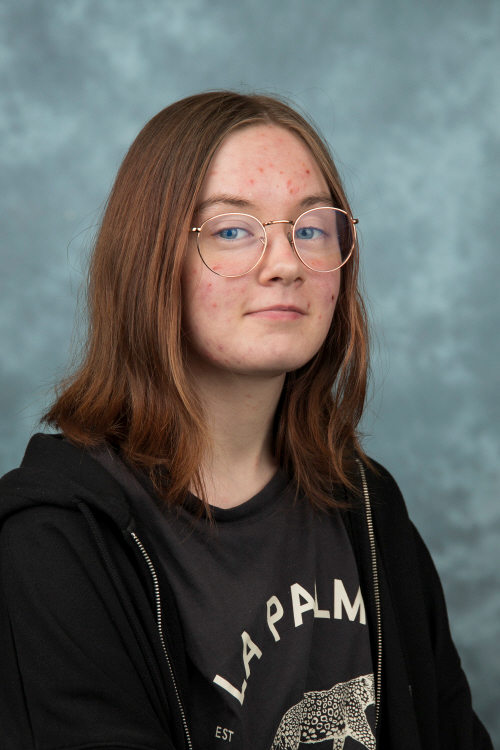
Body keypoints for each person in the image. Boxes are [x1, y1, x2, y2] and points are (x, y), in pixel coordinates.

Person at [0, 91, 492, 750]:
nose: (285, 264)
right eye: (232, 230)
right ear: (150, 263)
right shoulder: (52, 544)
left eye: (310, 229)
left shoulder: (371, 508)